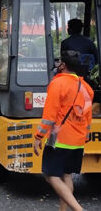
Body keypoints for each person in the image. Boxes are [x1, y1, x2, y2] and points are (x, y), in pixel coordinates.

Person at [33, 50, 93, 211]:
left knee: (51, 175)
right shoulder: (86, 87)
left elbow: (49, 116)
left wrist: (38, 136)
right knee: (66, 175)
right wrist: (84, 137)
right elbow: (88, 118)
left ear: (63, 65)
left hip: (60, 140)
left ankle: (78, 209)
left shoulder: (57, 84)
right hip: (78, 141)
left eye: (59, 61)